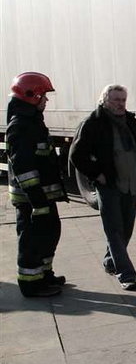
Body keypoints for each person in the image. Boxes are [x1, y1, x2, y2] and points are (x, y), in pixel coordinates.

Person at [69, 84, 136, 291]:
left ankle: (110, 261)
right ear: (104, 100)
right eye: (116, 100)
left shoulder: (131, 121)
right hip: (109, 185)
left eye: (123, 100)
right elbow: (76, 155)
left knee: (126, 229)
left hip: (131, 183)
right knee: (114, 229)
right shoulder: (93, 123)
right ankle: (126, 274)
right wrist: (97, 174)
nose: (120, 104)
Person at [6, 72, 67, 297]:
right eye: (44, 96)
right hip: (32, 200)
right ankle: (31, 284)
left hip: (42, 197)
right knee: (32, 240)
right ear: (33, 95)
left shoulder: (32, 121)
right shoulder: (20, 126)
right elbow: (24, 169)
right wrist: (37, 202)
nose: (47, 101)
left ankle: (44, 275)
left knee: (50, 234)